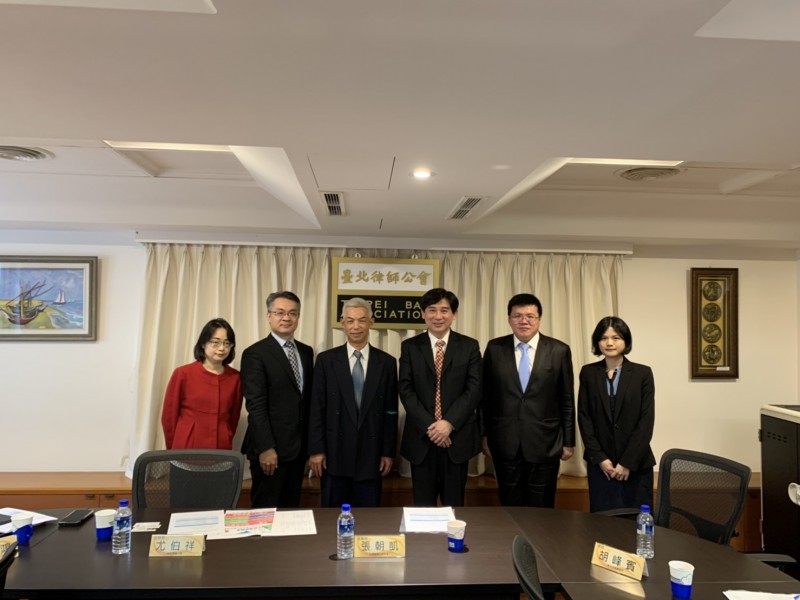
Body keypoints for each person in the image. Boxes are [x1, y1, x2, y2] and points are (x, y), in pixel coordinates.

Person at [481, 293, 575, 508]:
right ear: (509, 319)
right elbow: (485, 397)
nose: (524, 321)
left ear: (539, 319)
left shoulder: (558, 350)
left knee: (542, 507)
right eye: (517, 316)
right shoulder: (495, 349)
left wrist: (569, 441)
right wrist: (484, 435)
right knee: (510, 504)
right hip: (505, 442)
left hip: (545, 442)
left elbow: (567, 398)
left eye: (530, 316)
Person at [308, 297, 398, 507]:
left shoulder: (386, 362)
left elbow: (391, 411)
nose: (356, 326)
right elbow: (317, 408)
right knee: (332, 516)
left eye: (361, 320)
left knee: (369, 517)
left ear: (371, 322)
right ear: (342, 323)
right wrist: (317, 450)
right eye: (350, 320)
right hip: (334, 455)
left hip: (371, 455)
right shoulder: (326, 361)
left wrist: (387, 452)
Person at [399, 288, 482, 507]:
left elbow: (474, 389)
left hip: (456, 439)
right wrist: (433, 427)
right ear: (423, 314)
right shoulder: (410, 347)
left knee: (454, 507)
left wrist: (449, 423)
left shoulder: (469, 346)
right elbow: (406, 390)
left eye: (444, 310)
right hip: (422, 439)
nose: (438, 316)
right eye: (432, 310)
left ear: (454, 314)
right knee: (423, 507)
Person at [240, 291, 314, 508]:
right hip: (270, 451)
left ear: (298, 317)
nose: (286, 318)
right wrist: (266, 447)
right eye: (280, 312)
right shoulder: (255, 353)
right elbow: (256, 405)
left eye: (292, 313)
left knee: (291, 511)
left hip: (298, 450)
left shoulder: (306, 352)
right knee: (265, 512)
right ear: (269, 316)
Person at [577, 316, 655, 512]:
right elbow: (584, 418)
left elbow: (646, 421)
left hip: (636, 464)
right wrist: (601, 459)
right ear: (597, 342)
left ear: (626, 341)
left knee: (637, 522)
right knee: (602, 523)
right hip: (601, 466)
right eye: (604, 338)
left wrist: (627, 462)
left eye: (616, 337)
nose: (609, 343)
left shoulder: (642, 374)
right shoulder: (588, 373)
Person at [161, 317, 243, 450]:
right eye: (215, 342)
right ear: (203, 343)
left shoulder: (235, 378)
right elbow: (169, 417)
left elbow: (234, 418)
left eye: (227, 343)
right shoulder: (183, 373)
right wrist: (173, 450)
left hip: (221, 447)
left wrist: (226, 435)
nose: (222, 348)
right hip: (187, 446)